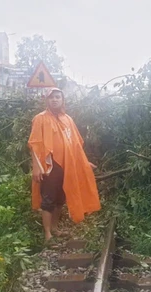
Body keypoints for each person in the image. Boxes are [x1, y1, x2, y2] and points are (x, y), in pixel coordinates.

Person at [28, 87, 101, 242]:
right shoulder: (40, 119)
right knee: (48, 198)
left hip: (67, 166)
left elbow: (74, 145)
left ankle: (55, 228)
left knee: (60, 198)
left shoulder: (68, 119)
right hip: (50, 166)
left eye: (57, 97)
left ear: (62, 100)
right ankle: (47, 234)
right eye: (51, 97)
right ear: (47, 100)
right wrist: (36, 167)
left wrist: (83, 161)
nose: (54, 100)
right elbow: (34, 144)